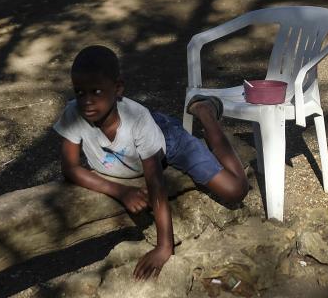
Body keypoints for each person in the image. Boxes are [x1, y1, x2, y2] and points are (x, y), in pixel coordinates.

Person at [53, 45, 250, 280]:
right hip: (139, 143)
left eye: (96, 91)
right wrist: (122, 191)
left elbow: (156, 183)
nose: (86, 101)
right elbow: (70, 167)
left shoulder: (138, 121)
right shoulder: (73, 114)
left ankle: (206, 113)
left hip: (166, 138)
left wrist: (164, 247)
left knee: (236, 190)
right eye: (79, 92)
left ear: (118, 88)